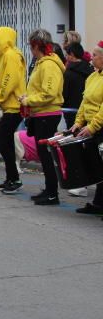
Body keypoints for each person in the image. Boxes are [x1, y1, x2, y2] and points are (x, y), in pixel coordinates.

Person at [19, 29, 65, 205]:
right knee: (44, 154)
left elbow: (49, 93)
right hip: (41, 113)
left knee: (46, 155)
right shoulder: (42, 63)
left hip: (47, 113)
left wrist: (28, 100)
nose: (30, 49)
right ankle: (49, 189)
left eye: (31, 46)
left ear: (36, 45)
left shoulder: (49, 64)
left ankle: (52, 193)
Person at [0, 27, 27, 194]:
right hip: (7, 106)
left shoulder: (11, 55)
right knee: (5, 143)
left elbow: (8, 82)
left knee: (2, 143)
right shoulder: (3, 56)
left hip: (14, 107)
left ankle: (14, 179)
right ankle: (11, 178)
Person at [70, 42, 103, 215]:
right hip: (90, 127)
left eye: (96, 55)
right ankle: (98, 204)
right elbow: (84, 102)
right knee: (95, 166)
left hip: (99, 128)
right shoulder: (92, 77)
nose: (92, 58)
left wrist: (93, 126)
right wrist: (78, 122)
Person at [62, 43, 93, 128]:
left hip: (72, 113)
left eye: (67, 55)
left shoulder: (68, 73)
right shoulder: (91, 70)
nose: (66, 57)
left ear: (72, 54)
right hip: (88, 112)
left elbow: (64, 94)